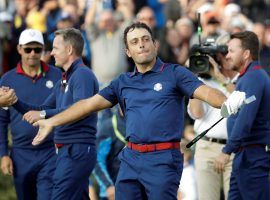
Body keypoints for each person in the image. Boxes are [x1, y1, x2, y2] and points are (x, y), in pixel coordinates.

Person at [32, 22, 246, 200]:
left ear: (155, 44)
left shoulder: (174, 73)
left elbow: (206, 92)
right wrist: (52, 121)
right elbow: (87, 105)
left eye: (145, 39)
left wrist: (227, 101)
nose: (141, 45)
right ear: (128, 51)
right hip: (130, 158)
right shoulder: (122, 82)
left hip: (163, 159)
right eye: (134, 42)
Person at [11, 28, 99, 199]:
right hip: (67, 151)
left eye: (56, 48)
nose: (51, 53)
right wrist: (14, 101)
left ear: (69, 50)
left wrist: (44, 114)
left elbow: (80, 109)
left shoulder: (82, 75)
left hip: (77, 150)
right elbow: (40, 110)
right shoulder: (64, 80)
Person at [0, 29, 61, 200]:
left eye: (37, 49)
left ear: (43, 50)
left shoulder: (57, 75)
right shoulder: (7, 79)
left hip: (50, 151)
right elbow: (1, 121)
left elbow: (64, 111)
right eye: (28, 49)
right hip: (20, 153)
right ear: (19, 49)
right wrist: (3, 154)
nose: (33, 54)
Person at [213, 31, 270, 200]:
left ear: (246, 54)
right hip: (245, 157)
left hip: (253, 158)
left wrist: (226, 150)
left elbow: (245, 121)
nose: (227, 56)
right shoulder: (247, 78)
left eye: (231, 51)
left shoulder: (254, 77)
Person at [188, 34, 238, 200]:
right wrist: (194, 79)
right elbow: (197, 114)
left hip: (233, 149)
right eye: (220, 54)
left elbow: (243, 101)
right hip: (206, 147)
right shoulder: (202, 82)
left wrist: (219, 76)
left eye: (227, 52)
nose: (225, 58)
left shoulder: (241, 79)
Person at [92, 106, 126, 200]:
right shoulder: (108, 126)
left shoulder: (142, 126)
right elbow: (97, 160)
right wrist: (108, 186)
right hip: (114, 191)